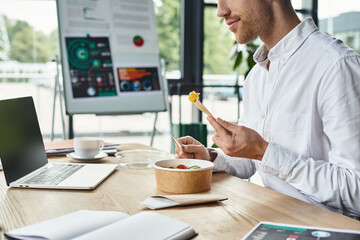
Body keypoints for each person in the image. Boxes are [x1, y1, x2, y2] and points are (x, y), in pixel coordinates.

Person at [175, 0, 360, 219]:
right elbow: (250, 162)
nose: (220, 11)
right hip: (271, 218)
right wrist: (210, 156)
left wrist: (263, 151)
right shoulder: (257, 77)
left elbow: (356, 191)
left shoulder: (336, 65)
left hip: (325, 228)